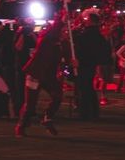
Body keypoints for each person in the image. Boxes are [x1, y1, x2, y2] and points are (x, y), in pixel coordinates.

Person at [16, 9, 69, 137]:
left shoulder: (63, 43)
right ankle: (21, 125)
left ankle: (47, 118)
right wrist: (61, 19)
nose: (65, 32)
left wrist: (72, 62)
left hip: (49, 75)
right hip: (35, 73)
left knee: (57, 96)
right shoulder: (45, 39)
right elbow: (54, 31)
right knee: (30, 104)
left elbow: (67, 57)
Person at [72, 9, 111, 121]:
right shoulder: (97, 34)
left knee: (84, 88)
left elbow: (81, 47)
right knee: (89, 88)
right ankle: (93, 111)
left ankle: (85, 112)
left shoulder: (88, 34)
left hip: (84, 63)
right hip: (91, 63)